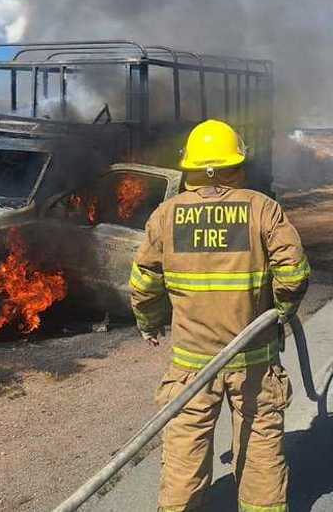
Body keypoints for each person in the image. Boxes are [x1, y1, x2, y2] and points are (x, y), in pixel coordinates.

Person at [130, 119, 310, 512]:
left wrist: (149, 322)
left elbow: (144, 282)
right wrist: (281, 311)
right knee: (260, 443)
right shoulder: (262, 209)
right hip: (255, 360)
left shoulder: (166, 214)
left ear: (190, 166)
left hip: (191, 365)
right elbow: (294, 272)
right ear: (237, 163)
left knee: (185, 449)